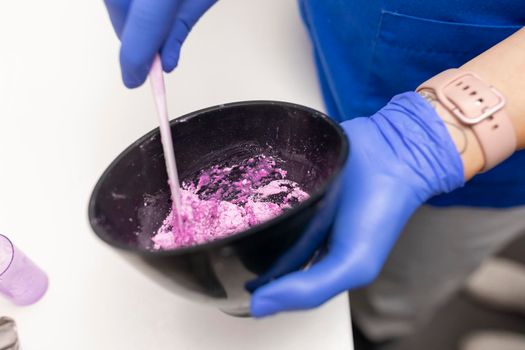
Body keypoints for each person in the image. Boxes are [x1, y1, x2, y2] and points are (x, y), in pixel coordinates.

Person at [104, 0, 525, 348]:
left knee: (409, 280)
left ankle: (386, 323)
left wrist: (420, 140)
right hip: (347, 45)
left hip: (484, 150)